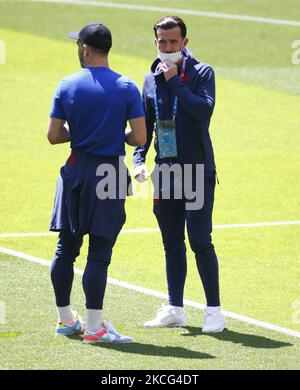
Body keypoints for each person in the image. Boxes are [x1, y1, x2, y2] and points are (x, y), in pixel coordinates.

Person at [48, 23, 146, 343]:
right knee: (99, 252)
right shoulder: (127, 86)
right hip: (110, 173)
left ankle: (66, 320)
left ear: (86, 49)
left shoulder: (67, 85)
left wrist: (81, 134)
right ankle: (94, 327)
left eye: (79, 45)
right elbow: (140, 138)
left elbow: (53, 135)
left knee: (66, 250)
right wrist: (114, 135)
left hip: (76, 169)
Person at [133, 16, 225, 332]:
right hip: (166, 174)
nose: (167, 48)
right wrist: (139, 159)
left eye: (173, 42)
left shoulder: (201, 73)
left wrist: (175, 82)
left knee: (200, 240)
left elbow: (203, 111)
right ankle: (175, 308)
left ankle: (214, 311)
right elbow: (144, 126)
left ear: (185, 42)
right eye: (162, 42)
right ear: (155, 41)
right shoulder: (149, 77)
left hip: (197, 172)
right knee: (172, 242)